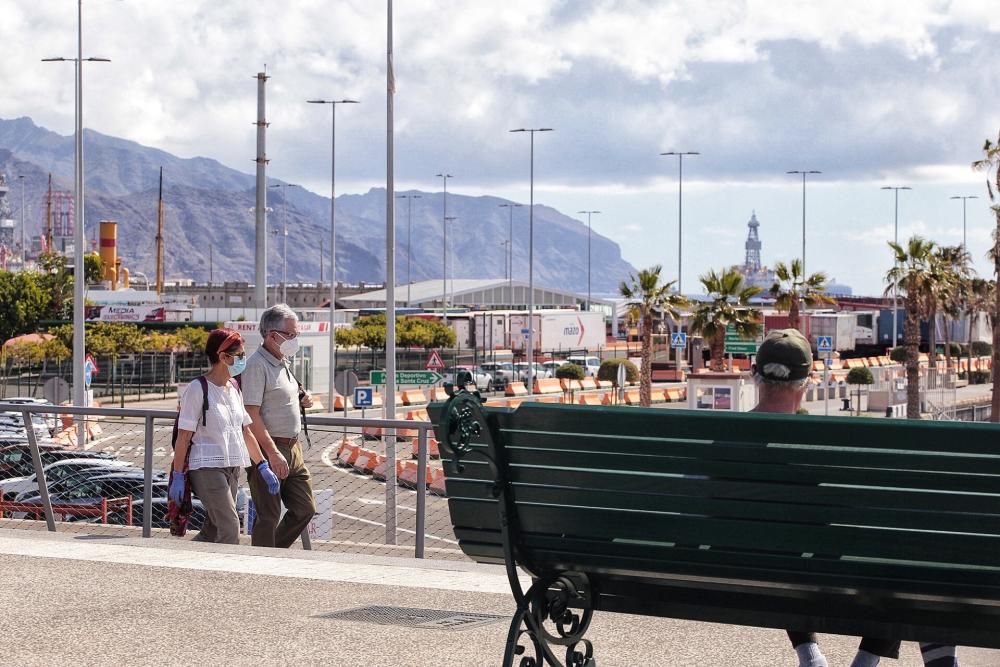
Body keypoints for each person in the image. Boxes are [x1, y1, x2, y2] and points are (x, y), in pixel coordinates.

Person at [752, 329, 957, 667]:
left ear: (754, 375)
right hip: (820, 582)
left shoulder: (719, 442)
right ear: (806, 383)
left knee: (785, 551)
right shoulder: (822, 448)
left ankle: (810, 654)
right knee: (910, 563)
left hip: (733, 577)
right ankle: (867, 661)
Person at [169, 328, 280, 545]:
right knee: (230, 526)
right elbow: (183, 437)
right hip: (206, 467)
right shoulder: (197, 389)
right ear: (223, 357)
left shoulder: (234, 387)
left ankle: (183, 563)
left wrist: (262, 466)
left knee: (213, 530)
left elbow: (245, 431)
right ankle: (228, 575)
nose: (243, 359)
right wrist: (178, 476)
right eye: (239, 355)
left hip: (231, 467)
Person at [241, 304, 316, 548]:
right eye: (291, 335)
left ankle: (272, 552)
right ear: (273, 335)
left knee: (305, 508)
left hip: (293, 448)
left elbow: (282, 396)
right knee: (269, 515)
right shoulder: (256, 365)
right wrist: (272, 454)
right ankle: (262, 563)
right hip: (269, 448)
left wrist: (303, 398)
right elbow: (251, 414)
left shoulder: (282, 361)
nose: (295, 340)